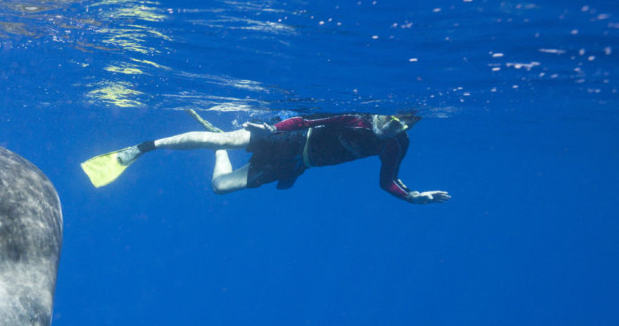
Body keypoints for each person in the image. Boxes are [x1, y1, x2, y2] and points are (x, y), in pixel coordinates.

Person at [82, 111, 450, 204]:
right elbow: (306, 120)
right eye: (390, 117)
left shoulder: (395, 146)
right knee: (223, 138)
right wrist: (273, 131)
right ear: (380, 111)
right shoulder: (357, 117)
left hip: (295, 164)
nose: (392, 126)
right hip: (286, 139)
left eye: (403, 123)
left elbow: (387, 181)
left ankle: (223, 146)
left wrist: (413, 197)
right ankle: (140, 149)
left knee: (220, 187)